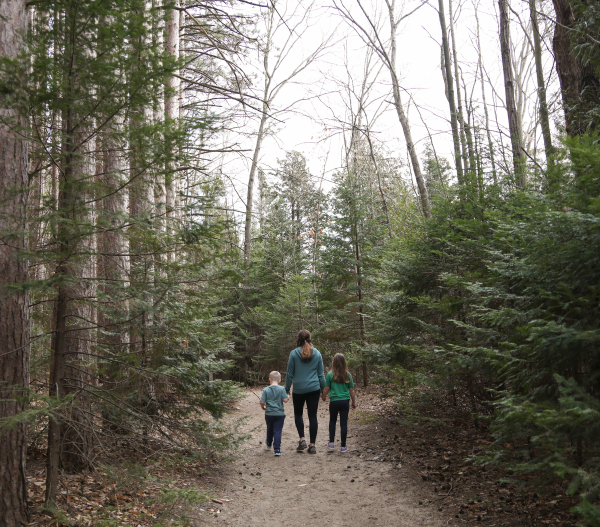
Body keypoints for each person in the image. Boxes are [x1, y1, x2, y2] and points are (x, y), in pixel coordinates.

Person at [284, 329, 325, 454]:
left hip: (299, 389)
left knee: (298, 414)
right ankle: (312, 446)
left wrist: (286, 390)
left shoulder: (294, 354)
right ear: (310, 338)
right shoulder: (317, 353)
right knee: (312, 416)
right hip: (314, 389)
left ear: (298, 340)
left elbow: (290, 374)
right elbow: (321, 375)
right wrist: (323, 390)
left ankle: (302, 440)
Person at [322, 353, 357, 453]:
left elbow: (326, 388)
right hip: (345, 402)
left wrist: (323, 396)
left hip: (334, 401)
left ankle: (331, 443)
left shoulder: (330, 375)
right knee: (343, 423)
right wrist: (354, 402)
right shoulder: (348, 375)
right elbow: (352, 390)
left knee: (332, 421)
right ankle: (343, 446)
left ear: (334, 362)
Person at [260, 371, 289, 456]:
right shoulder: (282, 389)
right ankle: (277, 449)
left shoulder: (266, 390)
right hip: (279, 414)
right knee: (277, 431)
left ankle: (269, 442)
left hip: (269, 414)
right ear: (280, 380)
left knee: (269, 428)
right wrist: (288, 397)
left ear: (269, 379)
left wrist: (263, 407)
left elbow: (262, 401)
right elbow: (285, 400)